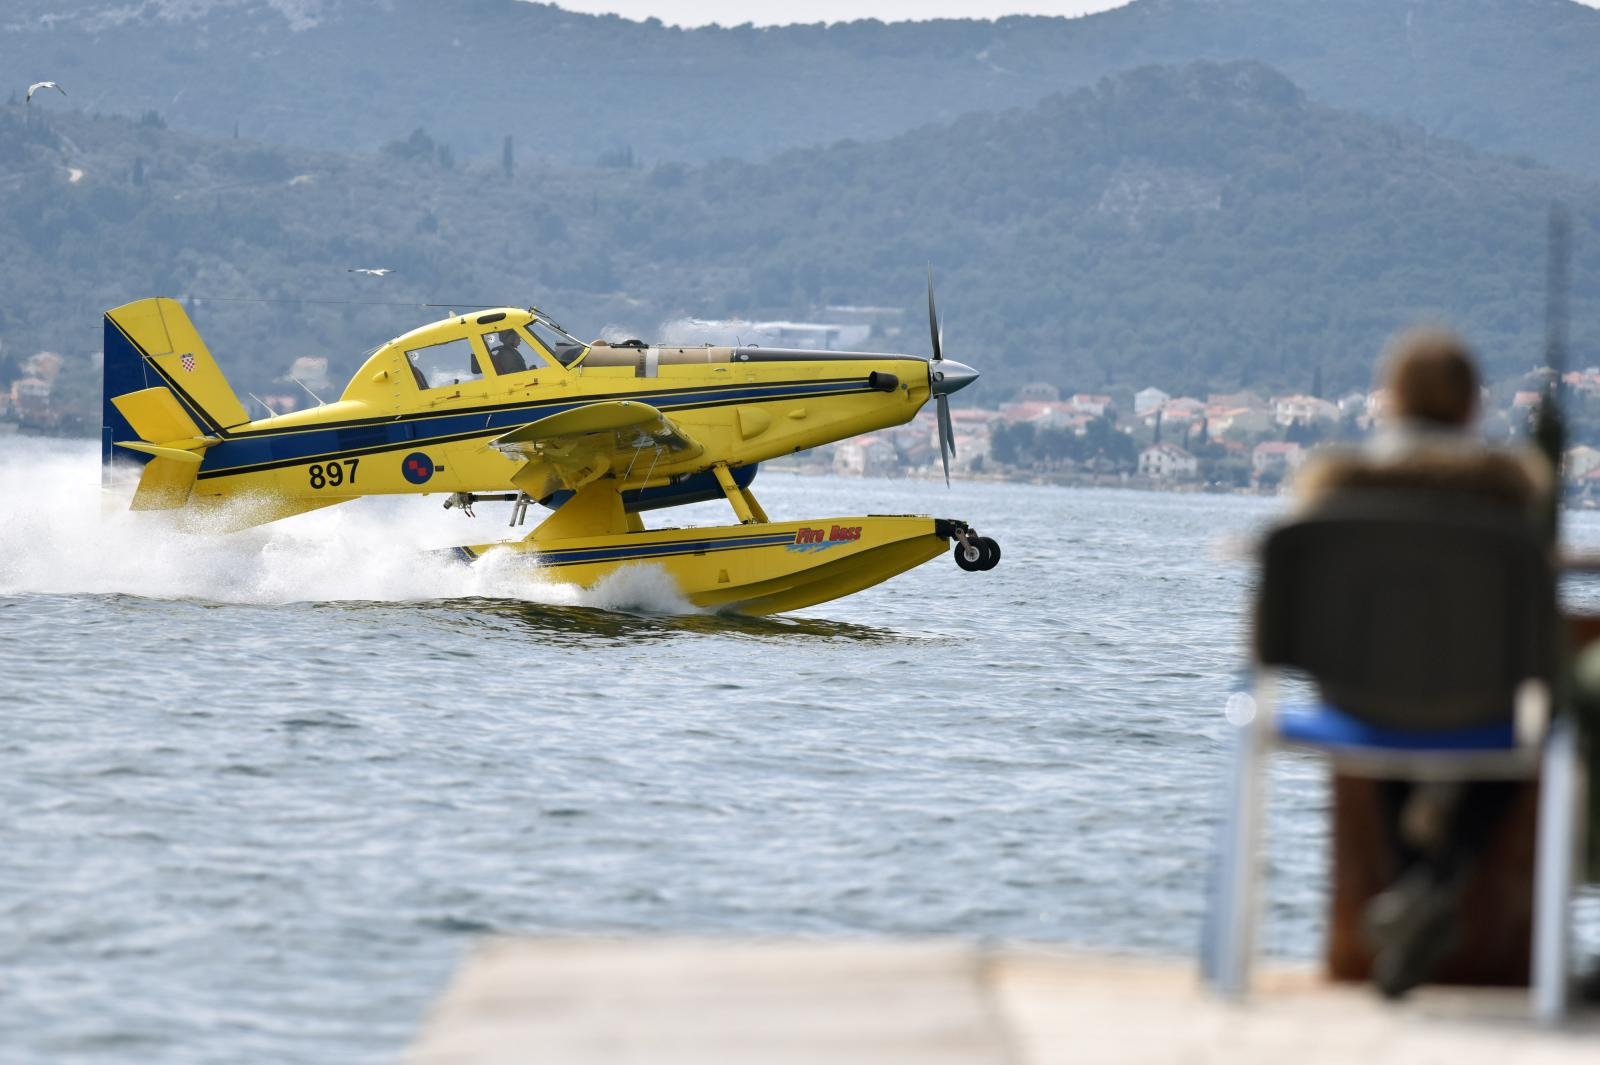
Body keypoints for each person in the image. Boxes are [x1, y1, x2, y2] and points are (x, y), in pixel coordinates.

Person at [1294, 327, 1554, 998]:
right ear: (1473, 408)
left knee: (1388, 703)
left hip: (1360, 700)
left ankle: (1416, 892)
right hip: (1480, 703)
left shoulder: (1338, 490)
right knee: (1527, 726)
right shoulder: (1509, 498)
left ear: (1392, 401)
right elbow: (1536, 643)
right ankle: (1432, 885)